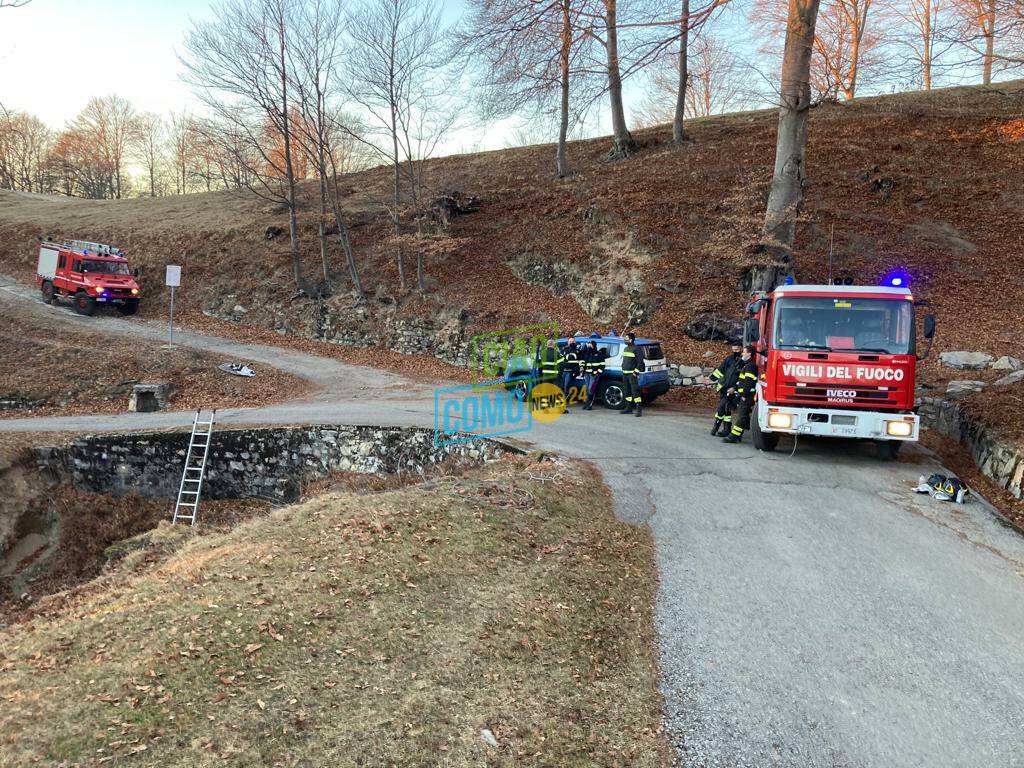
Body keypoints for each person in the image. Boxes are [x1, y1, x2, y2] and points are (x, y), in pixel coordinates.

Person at [723, 344, 758, 443]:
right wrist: (735, 388)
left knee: (742, 416)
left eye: (744, 352)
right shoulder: (747, 365)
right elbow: (742, 381)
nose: (742, 353)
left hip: (747, 396)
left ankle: (734, 436)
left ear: (749, 354)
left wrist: (743, 395)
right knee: (744, 416)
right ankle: (738, 435)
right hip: (745, 395)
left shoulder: (750, 366)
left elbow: (748, 383)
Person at [709, 343, 742, 436]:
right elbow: (720, 370)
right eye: (733, 350)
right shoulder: (729, 359)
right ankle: (726, 430)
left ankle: (715, 428)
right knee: (726, 410)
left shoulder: (743, 362)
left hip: (733, 391)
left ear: (741, 349)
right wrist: (711, 379)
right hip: (724, 388)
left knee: (721, 408)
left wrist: (735, 388)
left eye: (737, 350)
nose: (734, 352)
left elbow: (743, 379)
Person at [620, 332, 644, 417]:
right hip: (625, 374)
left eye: (626, 338)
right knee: (627, 392)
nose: (625, 340)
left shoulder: (636, 349)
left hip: (632, 375)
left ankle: (639, 410)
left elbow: (640, 362)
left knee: (635, 392)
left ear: (631, 340)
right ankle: (628, 408)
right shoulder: (626, 348)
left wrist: (635, 372)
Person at [581, 340, 607, 410]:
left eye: (590, 344)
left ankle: (590, 404)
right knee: (587, 389)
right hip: (587, 373)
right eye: (588, 344)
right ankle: (587, 403)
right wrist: (582, 369)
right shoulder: (587, 353)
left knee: (591, 389)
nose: (589, 345)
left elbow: (602, 365)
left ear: (593, 345)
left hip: (594, 374)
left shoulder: (599, 354)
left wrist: (598, 373)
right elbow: (584, 362)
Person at [559, 337, 582, 412]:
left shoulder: (577, 350)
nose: (571, 342)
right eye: (570, 341)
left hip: (571, 371)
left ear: (575, 342)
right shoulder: (564, 349)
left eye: (572, 341)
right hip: (564, 371)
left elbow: (574, 358)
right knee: (562, 386)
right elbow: (561, 359)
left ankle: (563, 402)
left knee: (566, 386)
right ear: (567, 342)